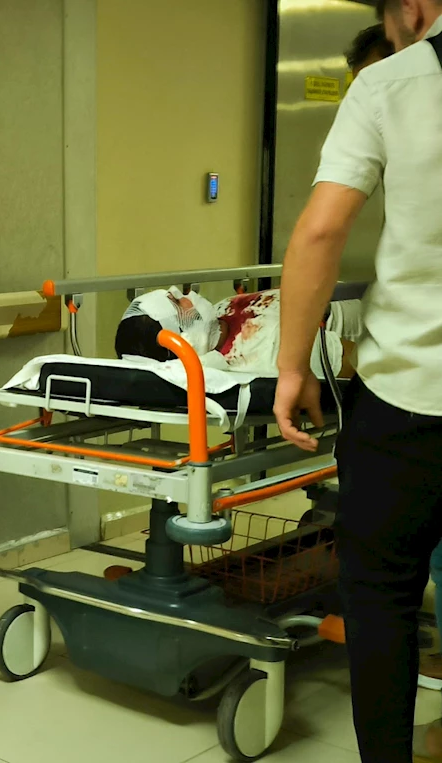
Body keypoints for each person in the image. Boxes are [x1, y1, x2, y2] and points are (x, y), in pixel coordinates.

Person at [272, 0, 442, 760]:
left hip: (409, 399)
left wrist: (291, 365)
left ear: (411, 7)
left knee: (381, 601)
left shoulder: (394, 84)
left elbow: (320, 229)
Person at [114, 286, 361, 380]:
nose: (181, 291)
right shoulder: (269, 350)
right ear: (186, 338)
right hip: (366, 330)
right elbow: (362, 363)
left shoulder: (218, 313)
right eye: (177, 302)